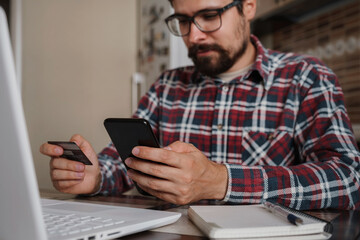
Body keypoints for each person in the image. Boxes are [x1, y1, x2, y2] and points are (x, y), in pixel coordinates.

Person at [40, 0, 360, 210]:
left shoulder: (306, 77)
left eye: (209, 16)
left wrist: (220, 181)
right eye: (183, 20)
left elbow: (347, 179)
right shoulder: (167, 85)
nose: (194, 36)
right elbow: (124, 165)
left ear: (248, 6)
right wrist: (93, 177)